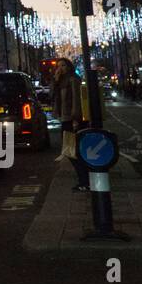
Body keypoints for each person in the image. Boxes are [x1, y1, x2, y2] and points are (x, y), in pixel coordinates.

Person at [54, 62, 89, 192]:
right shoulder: (61, 81)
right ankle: (84, 179)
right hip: (65, 118)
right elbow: (53, 95)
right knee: (70, 151)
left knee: (72, 150)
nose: (60, 68)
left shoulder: (73, 79)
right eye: (58, 66)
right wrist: (56, 80)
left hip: (72, 119)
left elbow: (77, 100)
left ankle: (84, 180)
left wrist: (76, 118)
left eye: (63, 65)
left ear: (69, 66)